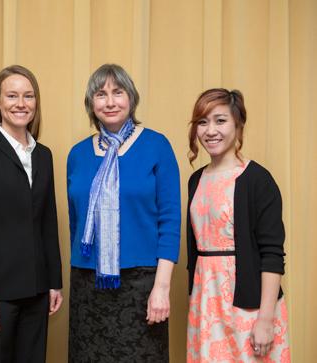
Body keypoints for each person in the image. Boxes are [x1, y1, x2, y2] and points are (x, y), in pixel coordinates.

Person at [67, 64, 181, 362]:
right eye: (101, 94)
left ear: (131, 98)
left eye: (118, 92)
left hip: (142, 285)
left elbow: (170, 222)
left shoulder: (157, 145)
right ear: (91, 104)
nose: (110, 101)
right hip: (87, 285)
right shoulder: (77, 154)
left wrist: (161, 287)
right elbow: (75, 224)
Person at [0, 65, 63, 363]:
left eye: (28, 96)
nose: (21, 103)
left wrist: (54, 282)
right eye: (12, 95)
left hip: (37, 289)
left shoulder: (44, 155)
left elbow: (47, 223)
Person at [186, 88, 291, 362]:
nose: (210, 130)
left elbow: (272, 254)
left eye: (220, 121)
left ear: (238, 124)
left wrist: (265, 319)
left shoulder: (257, 180)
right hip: (205, 301)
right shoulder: (196, 180)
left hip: (248, 303)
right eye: (203, 122)